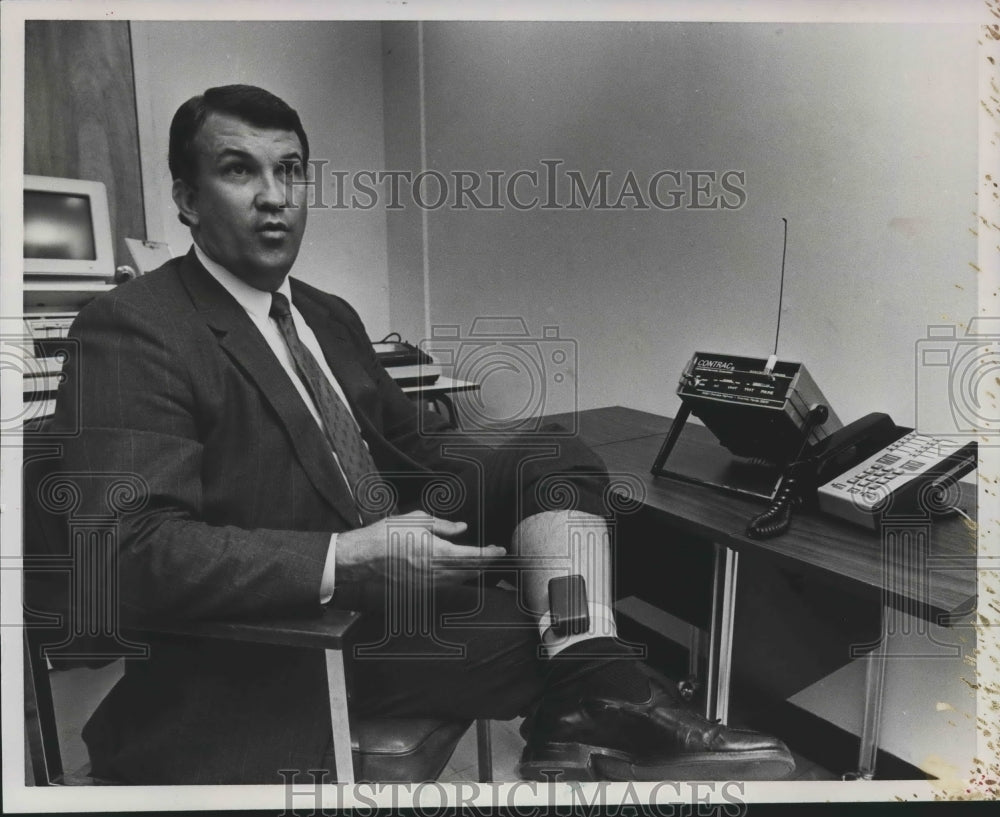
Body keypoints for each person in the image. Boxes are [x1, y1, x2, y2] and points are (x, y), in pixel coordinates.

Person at [41, 84, 794, 785]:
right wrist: (345, 557)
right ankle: (603, 694)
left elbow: (415, 462)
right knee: (527, 627)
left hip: (380, 565)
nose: (275, 198)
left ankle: (587, 682)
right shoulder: (134, 327)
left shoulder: (326, 313)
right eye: (240, 171)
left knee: (552, 451)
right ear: (186, 198)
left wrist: (512, 498)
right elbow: (124, 550)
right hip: (275, 628)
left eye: (292, 171)